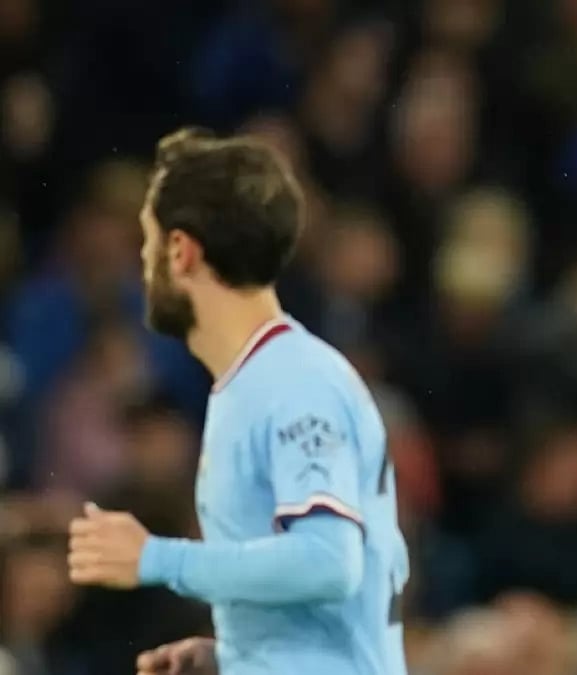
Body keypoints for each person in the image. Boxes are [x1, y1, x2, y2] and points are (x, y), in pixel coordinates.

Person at [65, 128, 409, 675]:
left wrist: (158, 558)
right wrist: (236, 657)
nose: (143, 262)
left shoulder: (295, 382)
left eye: (148, 242)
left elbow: (328, 561)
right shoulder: (255, 382)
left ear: (181, 252)